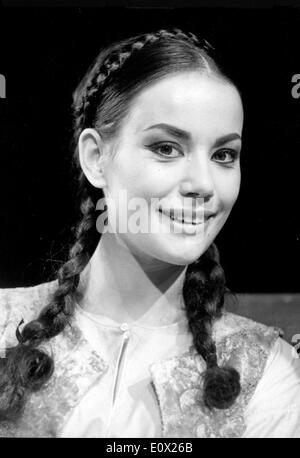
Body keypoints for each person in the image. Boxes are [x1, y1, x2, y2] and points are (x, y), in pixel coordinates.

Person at [0, 28, 299, 438]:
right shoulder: (3, 326)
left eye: (224, 155)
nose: (203, 183)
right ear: (96, 158)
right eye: (166, 148)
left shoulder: (266, 371)